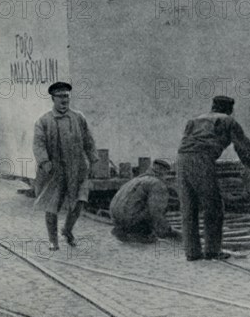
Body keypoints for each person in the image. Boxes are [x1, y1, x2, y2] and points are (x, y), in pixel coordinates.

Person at [176, 96, 250, 261]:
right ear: (230, 110)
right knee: (213, 205)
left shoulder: (194, 119)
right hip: (202, 159)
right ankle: (212, 250)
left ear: (213, 106)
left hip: (181, 160)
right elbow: (242, 145)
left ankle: (192, 253)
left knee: (189, 207)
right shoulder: (227, 120)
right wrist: (248, 166)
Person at [33, 82, 99, 251]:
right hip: (54, 171)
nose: (64, 100)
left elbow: (88, 140)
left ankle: (67, 230)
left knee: (79, 202)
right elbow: (38, 145)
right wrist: (45, 163)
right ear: (53, 99)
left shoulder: (78, 118)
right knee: (52, 206)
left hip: (77, 169)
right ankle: (53, 240)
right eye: (60, 97)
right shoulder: (44, 121)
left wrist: (93, 160)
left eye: (66, 96)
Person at [110, 160, 181, 243]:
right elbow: (155, 213)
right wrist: (171, 233)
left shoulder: (135, 180)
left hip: (117, 223)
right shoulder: (157, 184)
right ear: (164, 173)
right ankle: (141, 235)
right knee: (157, 211)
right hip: (133, 225)